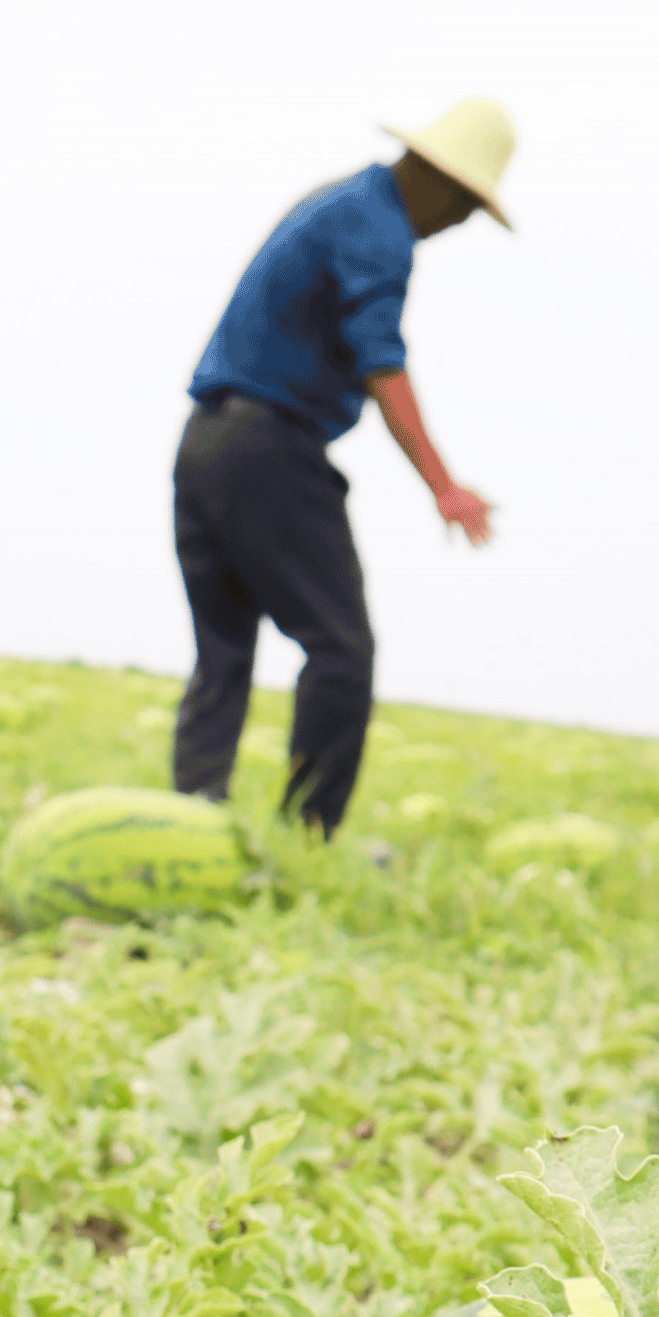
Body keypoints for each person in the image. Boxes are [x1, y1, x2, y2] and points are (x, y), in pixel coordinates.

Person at [171, 100, 516, 836]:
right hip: (267, 447)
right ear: (432, 177)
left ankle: (191, 820)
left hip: (204, 443)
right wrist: (443, 485)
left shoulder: (335, 200)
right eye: (461, 203)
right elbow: (381, 362)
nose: (456, 222)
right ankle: (307, 837)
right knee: (340, 648)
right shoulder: (378, 226)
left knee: (223, 654)